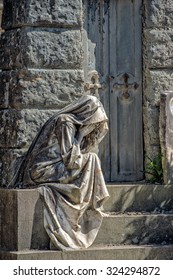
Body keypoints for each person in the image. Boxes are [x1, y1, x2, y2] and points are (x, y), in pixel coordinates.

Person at [13, 95, 109, 250]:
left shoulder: (70, 122)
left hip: (54, 167)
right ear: (87, 113)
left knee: (90, 158)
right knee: (92, 159)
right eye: (94, 120)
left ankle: (89, 203)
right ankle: (90, 204)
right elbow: (72, 160)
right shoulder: (65, 122)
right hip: (42, 170)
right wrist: (81, 134)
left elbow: (74, 158)